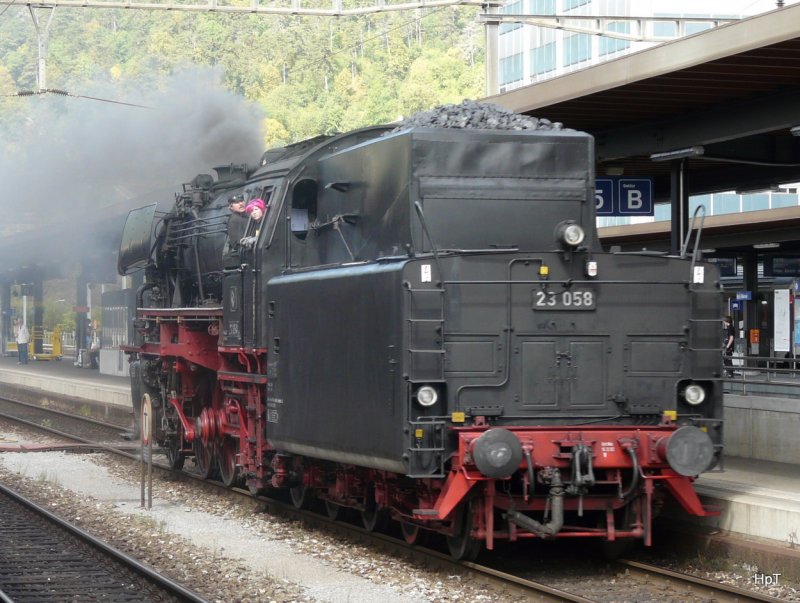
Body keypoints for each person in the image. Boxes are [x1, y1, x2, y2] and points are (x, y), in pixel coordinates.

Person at [223, 193, 248, 267]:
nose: (241, 204)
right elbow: (237, 243)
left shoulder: (247, 216)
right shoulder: (234, 220)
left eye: (242, 201)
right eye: (237, 202)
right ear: (231, 206)